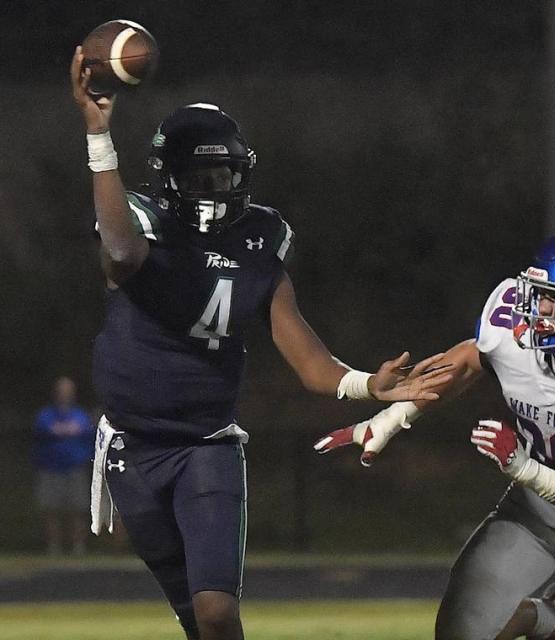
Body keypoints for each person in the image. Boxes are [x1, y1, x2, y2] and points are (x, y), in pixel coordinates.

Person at [69, 47, 450, 640]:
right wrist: (99, 138)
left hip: (207, 445)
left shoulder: (259, 238)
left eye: (223, 176)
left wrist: (365, 385)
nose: (214, 189)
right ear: (168, 181)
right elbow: (120, 251)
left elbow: (306, 356)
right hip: (133, 448)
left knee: (219, 614)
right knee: (195, 618)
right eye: (199, 178)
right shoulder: (140, 221)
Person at [316, 228, 555, 640]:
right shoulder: (516, 334)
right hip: (531, 518)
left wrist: (524, 467)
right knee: (460, 630)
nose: (542, 308)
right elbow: (466, 361)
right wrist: (390, 419)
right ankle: (542, 619)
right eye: (540, 293)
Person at [33, 376, 95, 555]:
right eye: (62, 390)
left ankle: (78, 547)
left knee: (78, 508)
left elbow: (85, 431)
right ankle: (54, 547)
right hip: (51, 467)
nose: (65, 394)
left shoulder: (81, 415)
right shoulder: (46, 414)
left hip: (75, 467)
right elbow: (44, 430)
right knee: (51, 509)